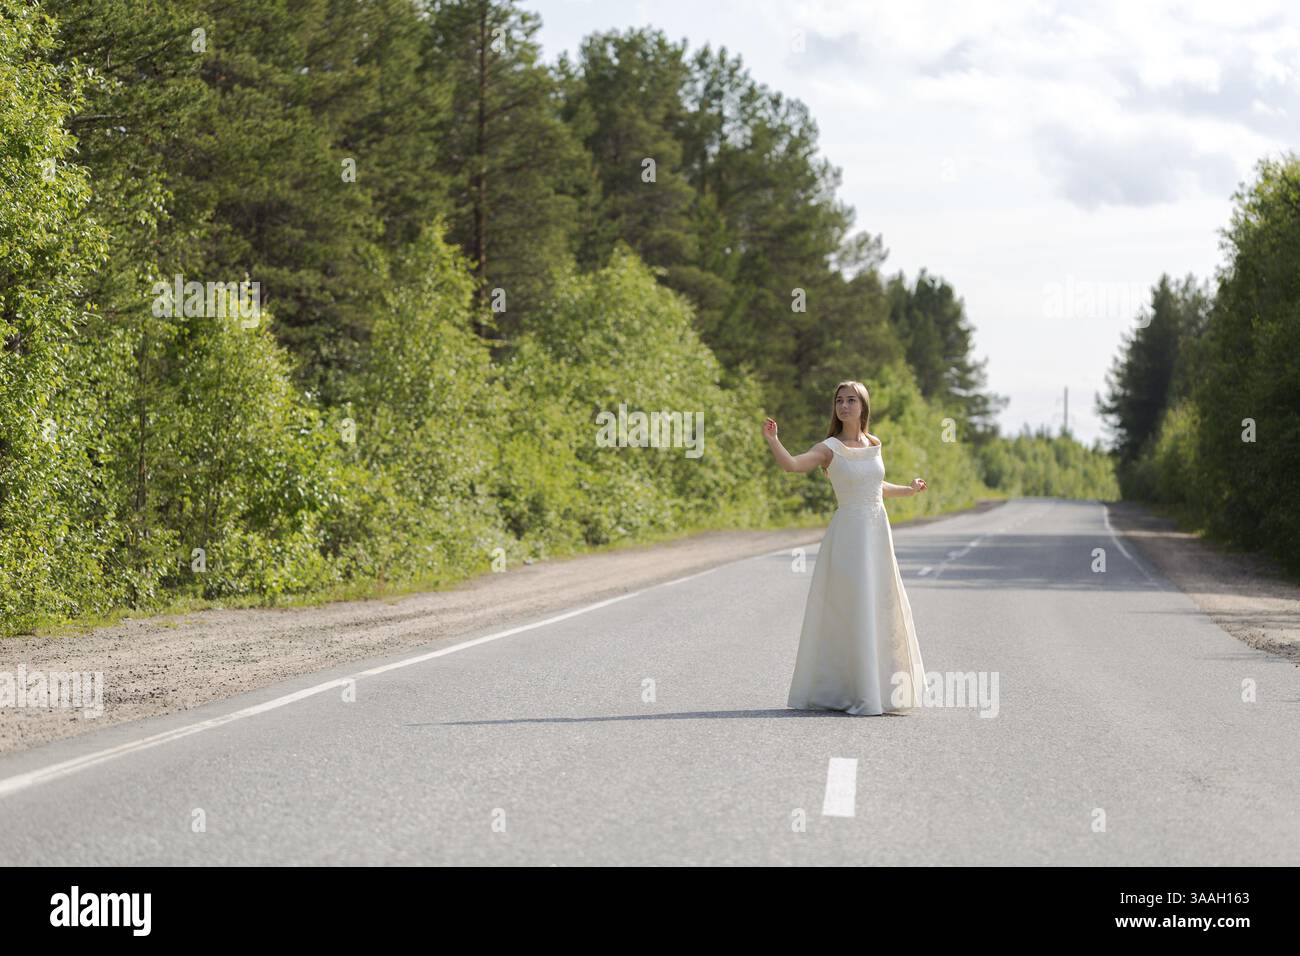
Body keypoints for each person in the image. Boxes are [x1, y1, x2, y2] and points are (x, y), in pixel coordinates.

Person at [763, 380, 928, 715]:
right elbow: (792, 465)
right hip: (849, 537)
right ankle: (848, 690)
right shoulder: (829, 448)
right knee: (851, 608)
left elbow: (875, 485)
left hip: (877, 533)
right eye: (839, 400)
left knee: (879, 604)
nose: (844, 406)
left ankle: (880, 689)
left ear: (863, 406)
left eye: (851, 400)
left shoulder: (873, 442)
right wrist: (774, 441)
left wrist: (908, 490)